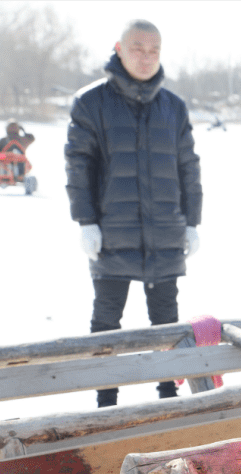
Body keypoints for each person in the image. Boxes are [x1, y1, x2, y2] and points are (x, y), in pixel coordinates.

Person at [65, 19, 202, 408]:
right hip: (112, 233)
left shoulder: (172, 107)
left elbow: (188, 167)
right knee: (107, 321)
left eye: (154, 50)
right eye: (138, 48)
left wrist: (192, 222)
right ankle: (106, 401)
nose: (146, 57)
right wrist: (85, 220)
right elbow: (79, 166)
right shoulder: (91, 103)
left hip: (165, 233)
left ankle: (167, 397)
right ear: (119, 48)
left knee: (167, 324)